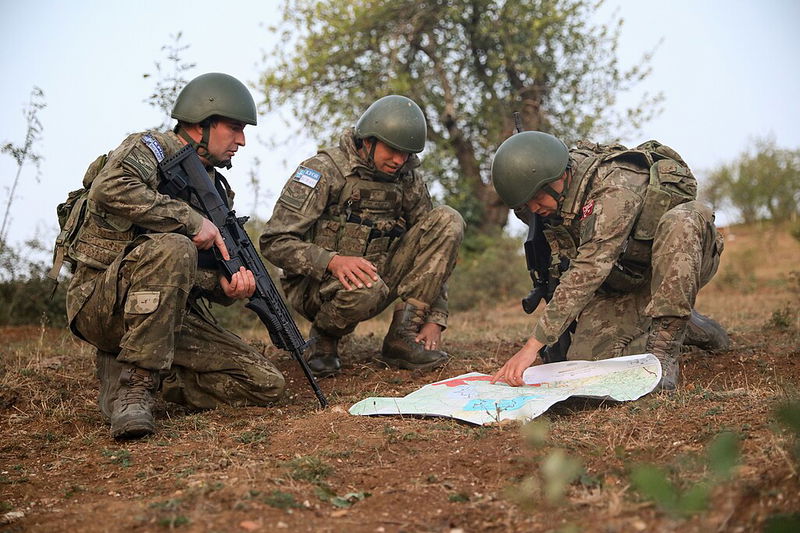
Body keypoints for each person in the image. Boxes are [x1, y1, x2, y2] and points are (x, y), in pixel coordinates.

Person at [64, 73, 285, 439]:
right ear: (201, 122)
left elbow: (194, 275)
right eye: (234, 128)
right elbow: (110, 187)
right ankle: (134, 392)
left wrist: (225, 287)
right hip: (102, 303)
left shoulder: (216, 191)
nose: (242, 140)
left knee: (264, 384)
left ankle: (131, 370)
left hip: (162, 318)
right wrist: (190, 220)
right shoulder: (151, 147)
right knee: (176, 244)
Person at [489, 131, 729, 390]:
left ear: (559, 176)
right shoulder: (556, 203)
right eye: (527, 205)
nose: (535, 208)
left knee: (681, 221)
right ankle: (685, 326)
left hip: (679, 262)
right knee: (586, 363)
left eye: (537, 198)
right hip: (624, 279)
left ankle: (664, 350)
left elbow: (590, 267)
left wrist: (532, 346)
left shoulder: (614, 185)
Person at [259, 95, 465, 378]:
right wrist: (333, 262)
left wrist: (435, 320)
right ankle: (325, 337)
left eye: (406, 153)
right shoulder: (324, 170)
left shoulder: (407, 177)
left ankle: (402, 337)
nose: (399, 160)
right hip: (318, 287)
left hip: (378, 276)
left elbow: (434, 251)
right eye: (392, 150)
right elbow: (274, 241)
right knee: (366, 286)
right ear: (368, 140)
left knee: (447, 220)